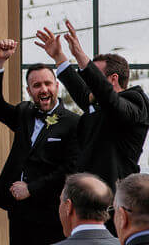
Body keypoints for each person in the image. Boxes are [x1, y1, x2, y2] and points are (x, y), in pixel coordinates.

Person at [0, 38, 79, 245]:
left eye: (47, 83)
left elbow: (70, 168)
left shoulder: (73, 123)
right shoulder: (24, 113)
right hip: (18, 212)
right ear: (29, 91)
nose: (43, 89)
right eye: (36, 86)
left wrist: (32, 188)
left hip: (51, 212)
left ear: (57, 86)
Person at [35, 20, 149, 193]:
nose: (89, 83)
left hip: (114, 199)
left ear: (113, 79)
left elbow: (111, 101)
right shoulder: (98, 104)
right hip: (88, 195)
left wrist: (81, 56)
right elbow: (82, 92)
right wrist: (59, 56)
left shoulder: (135, 101)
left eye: (94, 77)